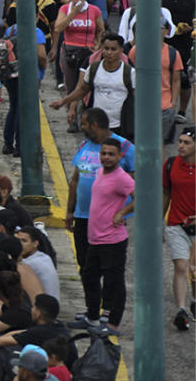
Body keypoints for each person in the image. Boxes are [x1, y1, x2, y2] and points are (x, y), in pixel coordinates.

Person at [78, 138, 133, 335]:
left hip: (113, 240)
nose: (106, 157)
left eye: (111, 154)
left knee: (114, 282)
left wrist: (122, 212)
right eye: (104, 153)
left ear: (120, 156)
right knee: (89, 277)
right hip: (95, 238)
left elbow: (140, 195)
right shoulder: (100, 171)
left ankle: (113, 324)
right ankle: (92, 317)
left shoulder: (122, 178)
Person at [163, 128, 195, 330]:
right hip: (176, 224)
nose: (181, 146)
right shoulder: (171, 164)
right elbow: (166, 192)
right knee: (182, 266)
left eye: (186, 143)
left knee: (194, 271)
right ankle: (181, 310)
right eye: (180, 142)